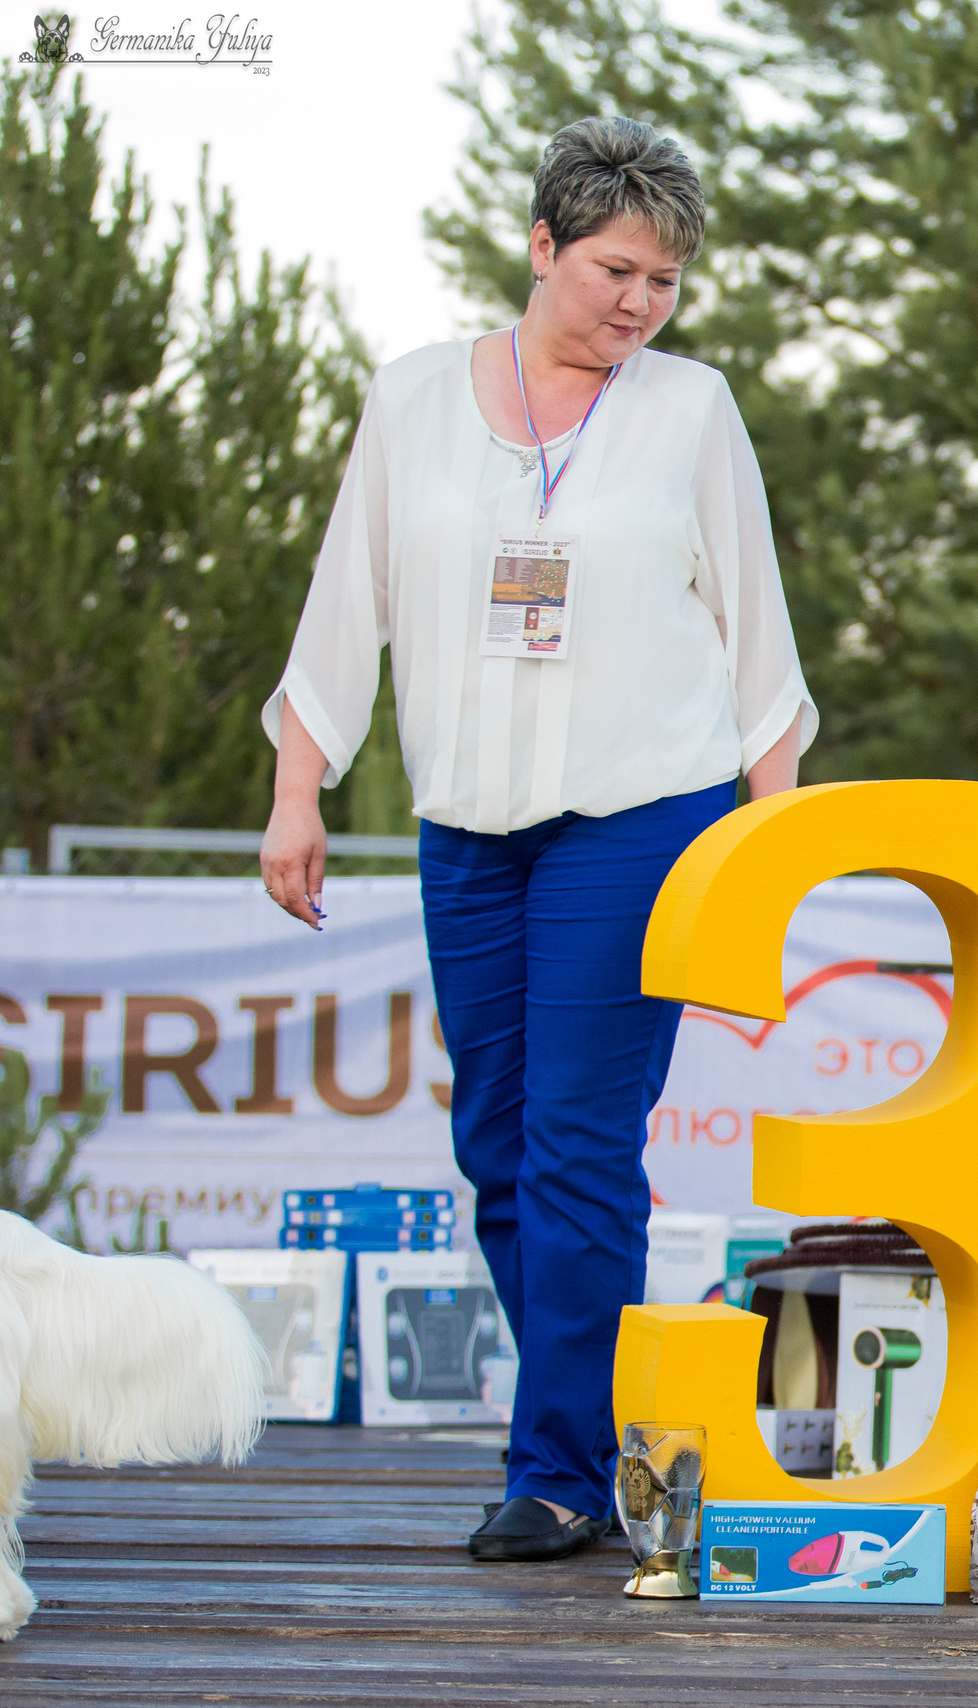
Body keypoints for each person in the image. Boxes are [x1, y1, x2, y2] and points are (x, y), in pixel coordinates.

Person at [257, 118, 816, 1563]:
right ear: (542, 248)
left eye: (668, 282)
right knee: (495, 1147)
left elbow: (759, 640)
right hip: (467, 825)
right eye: (618, 269)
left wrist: (771, 848)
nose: (641, 303)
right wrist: (298, 788)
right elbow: (346, 601)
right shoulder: (415, 401)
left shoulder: (690, 412)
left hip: (644, 813)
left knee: (577, 1141)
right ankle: (622, 1426)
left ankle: (558, 1470)